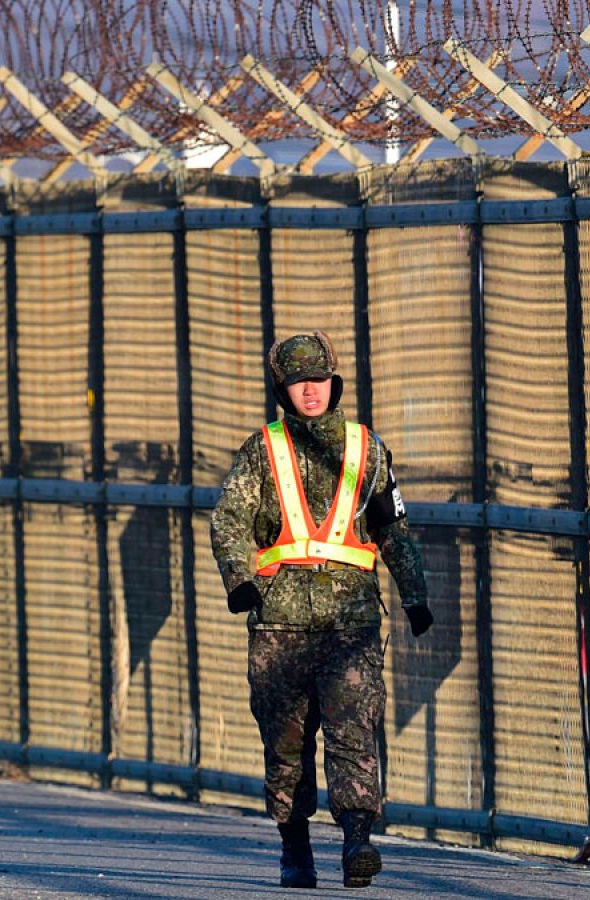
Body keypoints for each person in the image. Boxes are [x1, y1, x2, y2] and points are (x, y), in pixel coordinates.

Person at [211, 331, 433, 889]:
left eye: (318, 380)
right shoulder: (262, 449)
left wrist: (416, 595)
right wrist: (240, 581)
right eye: (297, 382)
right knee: (285, 742)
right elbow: (229, 521)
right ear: (282, 390)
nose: (310, 391)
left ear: (334, 383)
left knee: (353, 731)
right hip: (278, 624)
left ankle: (358, 839)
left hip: (350, 622)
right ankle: (295, 847)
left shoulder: (366, 449)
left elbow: (392, 529)